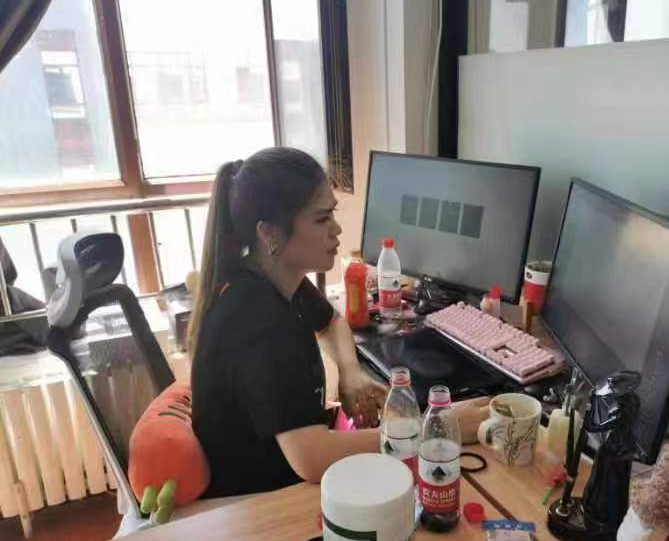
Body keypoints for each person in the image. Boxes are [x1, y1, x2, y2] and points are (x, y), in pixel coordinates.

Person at [189, 148, 489, 497]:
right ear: (269, 233)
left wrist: (350, 372)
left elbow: (331, 322)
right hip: (260, 500)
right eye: (321, 219)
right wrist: (436, 430)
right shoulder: (257, 318)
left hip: (284, 473)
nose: (337, 230)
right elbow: (313, 458)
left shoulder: (276, 279)